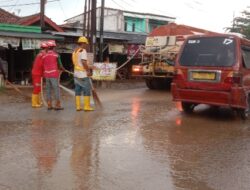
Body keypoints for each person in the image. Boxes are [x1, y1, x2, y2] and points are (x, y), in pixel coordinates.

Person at [72, 36, 94, 111]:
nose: (86, 45)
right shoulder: (83, 51)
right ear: (83, 43)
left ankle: (78, 107)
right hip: (83, 74)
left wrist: (90, 67)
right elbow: (83, 62)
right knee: (86, 90)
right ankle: (86, 106)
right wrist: (88, 71)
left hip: (76, 74)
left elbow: (77, 63)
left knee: (77, 90)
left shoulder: (75, 51)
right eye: (86, 44)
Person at [42, 40, 65, 110]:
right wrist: (63, 69)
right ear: (53, 47)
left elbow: (43, 65)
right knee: (56, 89)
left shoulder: (44, 56)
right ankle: (57, 105)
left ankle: (49, 105)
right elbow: (60, 66)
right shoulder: (56, 55)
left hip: (47, 75)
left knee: (48, 89)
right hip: (54, 75)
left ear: (48, 47)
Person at [31, 42, 48, 108]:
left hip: (37, 73)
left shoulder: (40, 54)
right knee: (37, 88)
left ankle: (38, 102)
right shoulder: (43, 55)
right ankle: (34, 103)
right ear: (46, 48)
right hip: (37, 74)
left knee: (39, 88)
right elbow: (42, 65)